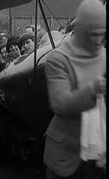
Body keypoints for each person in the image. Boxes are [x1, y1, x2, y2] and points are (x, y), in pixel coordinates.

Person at [43, 0, 106, 178]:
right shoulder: (58, 59)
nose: (98, 41)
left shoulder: (105, 56)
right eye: (93, 34)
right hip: (66, 158)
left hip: (98, 156)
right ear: (80, 31)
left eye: (103, 34)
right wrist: (93, 89)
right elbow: (60, 104)